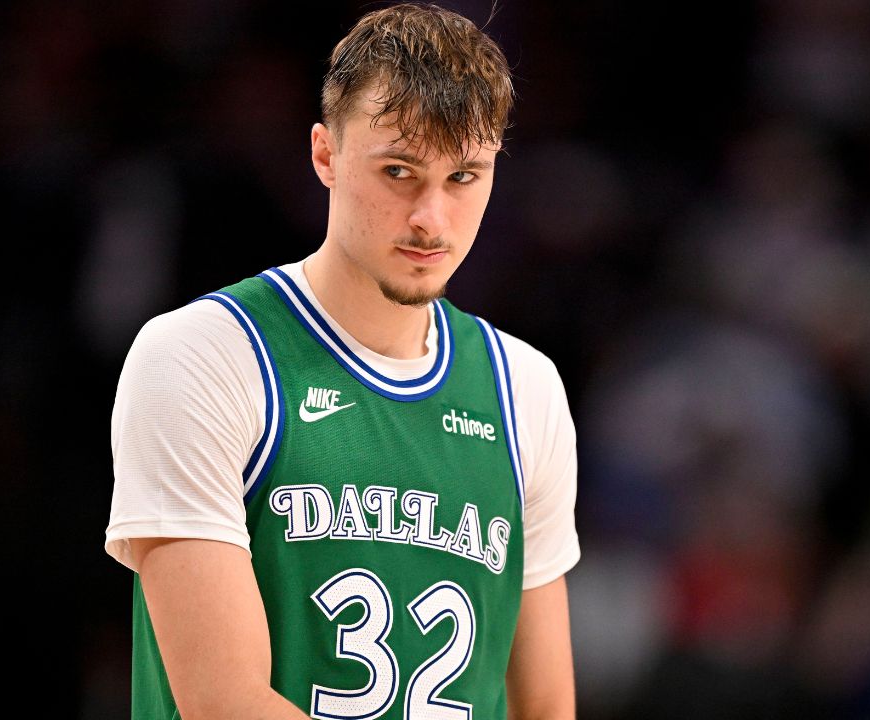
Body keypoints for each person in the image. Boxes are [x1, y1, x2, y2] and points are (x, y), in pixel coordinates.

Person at [105, 3, 580, 718]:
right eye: (399, 171)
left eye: (463, 178)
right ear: (325, 154)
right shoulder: (202, 356)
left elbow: (545, 709)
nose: (431, 219)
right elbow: (224, 703)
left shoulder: (526, 391)